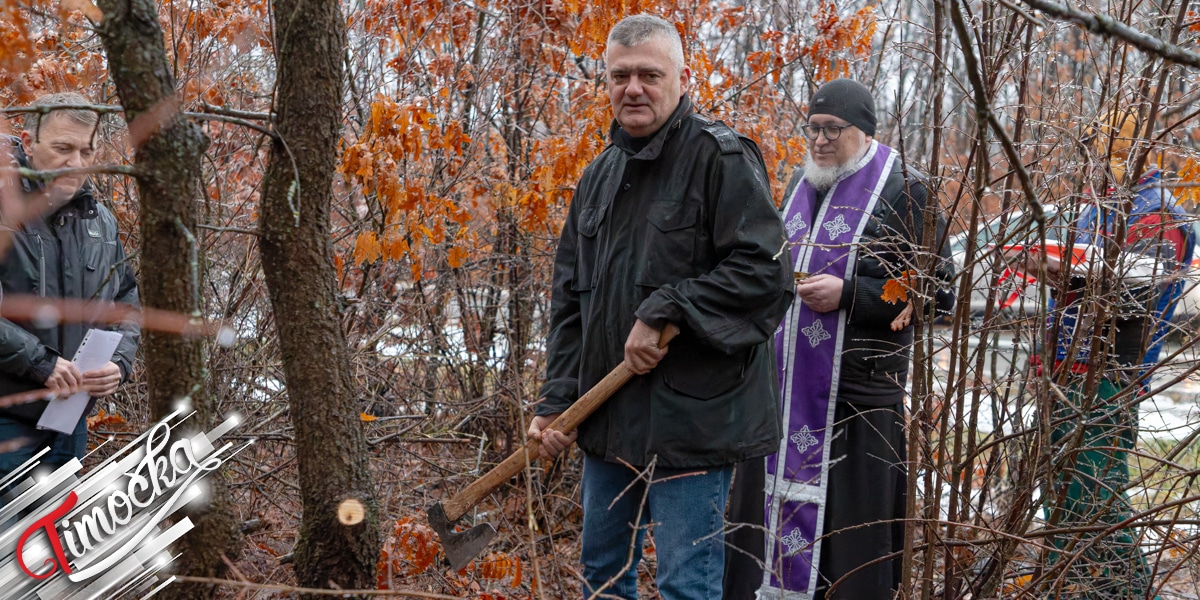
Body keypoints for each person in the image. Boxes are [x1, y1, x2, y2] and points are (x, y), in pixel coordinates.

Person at [526, 14, 793, 600]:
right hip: (608, 418)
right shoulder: (597, 176)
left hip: (694, 423)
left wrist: (667, 308)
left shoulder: (720, 158)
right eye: (619, 76)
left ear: (682, 78)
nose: (633, 89)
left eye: (649, 74)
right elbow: (570, 304)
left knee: (684, 585)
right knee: (602, 577)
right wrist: (556, 401)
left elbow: (766, 274)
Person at [724, 78, 953, 599]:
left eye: (832, 130)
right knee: (761, 539)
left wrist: (849, 294)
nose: (820, 141)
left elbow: (937, 293)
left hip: (857, 402)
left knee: (847, 554)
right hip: (783, 395)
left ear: (865, 132)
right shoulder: (799, 182)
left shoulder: (906, 190)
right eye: (813, 129)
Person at [1029, 108, 1193, 597]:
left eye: (1103, 148)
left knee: (1095, 501)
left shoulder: (1156, 213)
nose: (1093, 159)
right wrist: (1051, 271)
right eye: (1091, 148)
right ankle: (1069, 587)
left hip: (1108, 376)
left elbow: (1138, 298)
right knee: (1062, 497)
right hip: (1067, 367)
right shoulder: (1098, 205)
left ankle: (1127, 591)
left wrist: (1067, 276)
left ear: (1129, 151)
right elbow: (1084, 282)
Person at [0, 92, 140, 487]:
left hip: (69, 423)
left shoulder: (101, 222)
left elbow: (126, 300)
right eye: (63, 148)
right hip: (6, 420)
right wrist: (40, 362)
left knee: (56, 527)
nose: (75, 163)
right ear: (29, 143)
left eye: (86, 151)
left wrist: (120, 363)